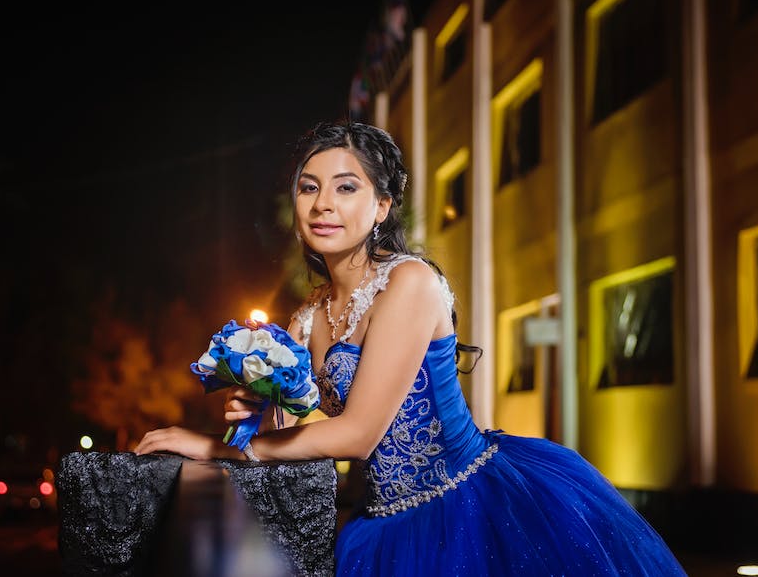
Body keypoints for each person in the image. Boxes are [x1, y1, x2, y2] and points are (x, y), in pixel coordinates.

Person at [136, 121, 687, 575]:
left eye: (346, 187)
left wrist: (215, 449)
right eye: (309, 187)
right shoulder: (306, 317)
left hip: (472, 507)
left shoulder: (410, 282)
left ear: (381, 207)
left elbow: (356, 433)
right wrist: (263, 410)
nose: (323, 203)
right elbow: (304, 438)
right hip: (378, 521)